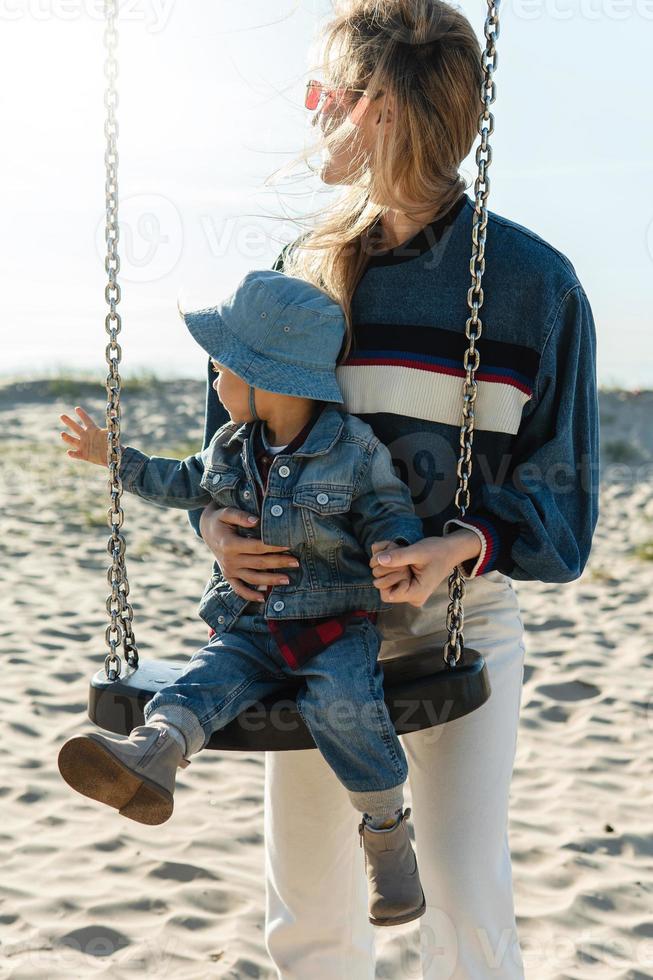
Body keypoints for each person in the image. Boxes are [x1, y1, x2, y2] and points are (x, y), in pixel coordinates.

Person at [191, 1, 600, 977]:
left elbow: (566, 516)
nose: (306, 110)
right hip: (307, 615)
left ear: (375, 105)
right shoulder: (297, 276)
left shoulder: (532, 286)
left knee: (460, 896)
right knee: (310, 909)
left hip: (458, 620)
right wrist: (217, 526)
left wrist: (457, 543)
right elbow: (226, 453)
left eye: (319, 92)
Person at [56, 267, 471, 928]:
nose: (216, 386)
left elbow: (388, 509)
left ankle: (387, 844)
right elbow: (179, 481)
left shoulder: (354, 452)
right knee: (202, 680)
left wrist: (393, 551)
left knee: (344, 707)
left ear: (265, 379)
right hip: (250, 622)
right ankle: (153, 755)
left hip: (334, 622)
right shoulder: (229, 446)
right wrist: (117, 458)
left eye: (222, 372)